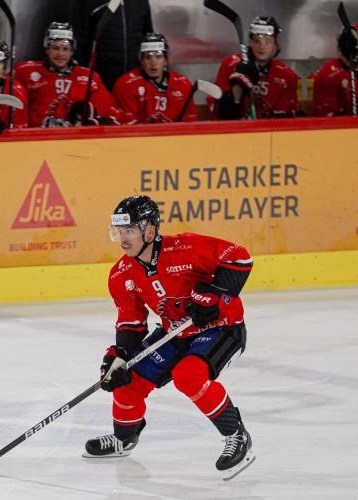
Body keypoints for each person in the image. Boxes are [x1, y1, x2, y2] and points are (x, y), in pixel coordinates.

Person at [84, 195, 255, 481]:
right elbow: (131, 322)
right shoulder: (121, 274)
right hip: (174, 333)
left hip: (221, 327)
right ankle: (124, 439)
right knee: (127, 379)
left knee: (189, 374)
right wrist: (120, 355)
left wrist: (213, 294)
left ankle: (237, 435)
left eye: (129, 231)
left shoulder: (186, 248)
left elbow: (239, 256)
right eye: (119, 232)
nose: (123, 239)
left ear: (149, 230)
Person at [15, 22, 123, 127]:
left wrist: (96, 121)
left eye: (65, 49)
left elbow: (111, 113)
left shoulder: (89, 76)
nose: (61, 54)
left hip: (75, 139)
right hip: (36, 139)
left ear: (72, 51)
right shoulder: (24, 71)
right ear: (47, 49)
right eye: (55, 48)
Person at [212, 16, 299, 120]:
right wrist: (236, 90)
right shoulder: (230, 66)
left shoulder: (287, 76)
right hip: (234, 132)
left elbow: (286, 121)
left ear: (275, 44)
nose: (262, 47)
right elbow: (217, 113)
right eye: (257, 41)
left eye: (268, 41)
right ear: (250, 42)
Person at [112, 32, 197, 124]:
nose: (153, 63)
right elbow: (127, 126)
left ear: (166, 60)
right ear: (141, 60)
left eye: (158, 57)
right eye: (148, 57)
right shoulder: (126, 84)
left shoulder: (182, 84)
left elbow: (189, 123)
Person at [73, 0, 153, 90]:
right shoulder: (87, 2)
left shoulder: (141, 2)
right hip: (100, 79)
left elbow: (148, 39)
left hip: (134, 78)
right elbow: (79, 41)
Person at [312, 31, 358, 116]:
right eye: (349, 57)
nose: (355, 62)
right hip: (340, 126)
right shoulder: (329, 75)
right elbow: (327, 118)